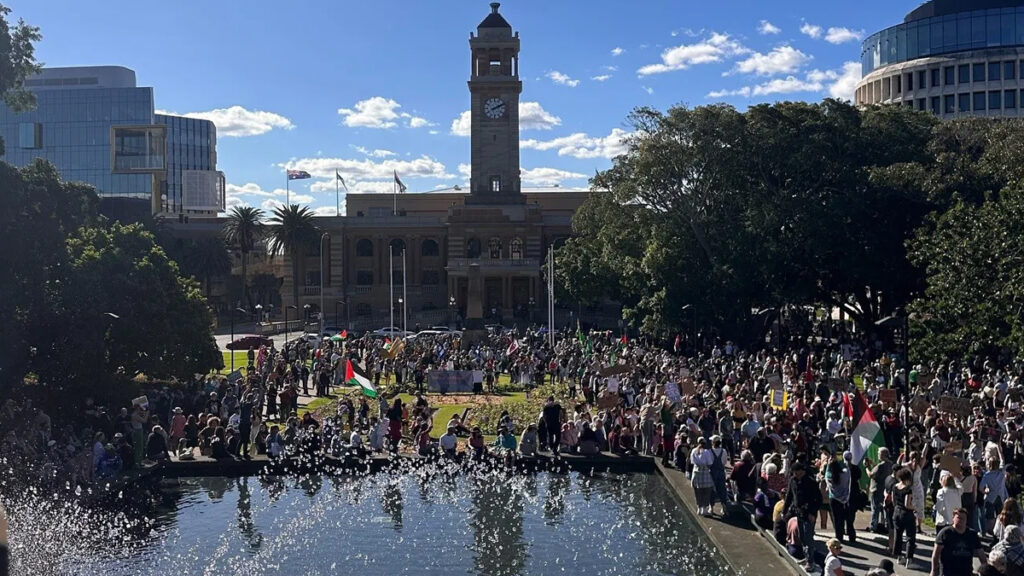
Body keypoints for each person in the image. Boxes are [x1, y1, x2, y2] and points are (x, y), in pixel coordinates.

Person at [784, 461, 823, 574]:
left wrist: (812, 513)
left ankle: (810, 562)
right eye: (795, 473)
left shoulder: (811, 482)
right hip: (798, 513)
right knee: (801, 537)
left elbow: (818, 499)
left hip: (808, 514)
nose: (796, 475)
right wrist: (784, 511)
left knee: (808, 538)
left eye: (798, 473)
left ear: (802, 471)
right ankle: (806, 557)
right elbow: (789, 496)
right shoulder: (793, 481)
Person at [931, 507, 987, 576]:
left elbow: (981, 553)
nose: (961, 520)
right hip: (948, 573)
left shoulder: (972, 535)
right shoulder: (945, 533)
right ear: (953, 518)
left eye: (963, 518)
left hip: (966, 573)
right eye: (958, 518)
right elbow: (936, 554)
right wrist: (934, 570)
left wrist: (985, 568)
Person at [893, 466, 918, 568]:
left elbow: (894, 501)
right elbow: (907, 504)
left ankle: (899, 557)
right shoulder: (908, 489)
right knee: (910, 536)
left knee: (898, 535)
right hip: (906, 514)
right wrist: (914, 508)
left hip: (897, 512)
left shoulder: (895, 487)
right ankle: (909, 559)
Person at [869, 447, 893, 533]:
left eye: (879, 453)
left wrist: (867, 467)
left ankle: (873, 526)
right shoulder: (890, 464)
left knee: (875, 509)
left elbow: (871, 475)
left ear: (883, 455)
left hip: (877, 488)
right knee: (885, 508)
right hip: (886, 489)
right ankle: (886, 525)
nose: (878, 455)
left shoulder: (880, 466)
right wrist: (873, 464)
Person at [690, 437, 715, 517]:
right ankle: (704, 509)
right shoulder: (706, 452)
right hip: (705, 472)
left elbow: (692, 462)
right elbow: (709, 463)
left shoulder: (694, 451)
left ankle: (699, 508)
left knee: (698, 491)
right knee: (706, 491)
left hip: (696, 472)